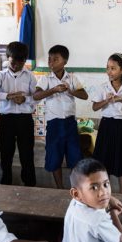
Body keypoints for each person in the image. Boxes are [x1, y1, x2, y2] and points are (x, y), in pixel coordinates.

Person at [33, 45, 88, 188]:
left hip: (70, 123)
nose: (51, 63)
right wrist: (53, 90)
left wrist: (71, 91)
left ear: (65, 61)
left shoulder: (72, 78)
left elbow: (84, 95)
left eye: (55, 59)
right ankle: (59, 188)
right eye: (49, 59)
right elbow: (36, 95)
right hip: (54, 124)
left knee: (74, 156)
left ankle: (74, 187)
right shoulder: (46, 79)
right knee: (54, 156)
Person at [0, 42, 37, 186]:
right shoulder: (0, 76)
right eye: (13, 62)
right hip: (6, 120)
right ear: (8, 58)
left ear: (25, 61)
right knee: (6, 154)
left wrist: (25, 99)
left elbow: (37, 97)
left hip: (25, 120)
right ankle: (5, 184)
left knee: (27, 154)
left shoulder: (30, 76)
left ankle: (30, 184)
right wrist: (7, 96)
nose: (16, 65)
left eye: (20, 62)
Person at [92, 53, 122, 194]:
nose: (109, 72)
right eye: (107, 68)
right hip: (106, 125)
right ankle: (102, 193)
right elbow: (95, 107)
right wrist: (107, 100)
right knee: (103, 159)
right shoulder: (103, 87)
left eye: (113, 68)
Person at [62, 158, 122, 242]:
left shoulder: (74, 202)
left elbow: (101, 194)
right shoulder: (98, 219)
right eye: (94, 188)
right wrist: (113, 213)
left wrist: (109, 199)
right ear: (76, 194)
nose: (103, 192)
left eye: (106, 184)